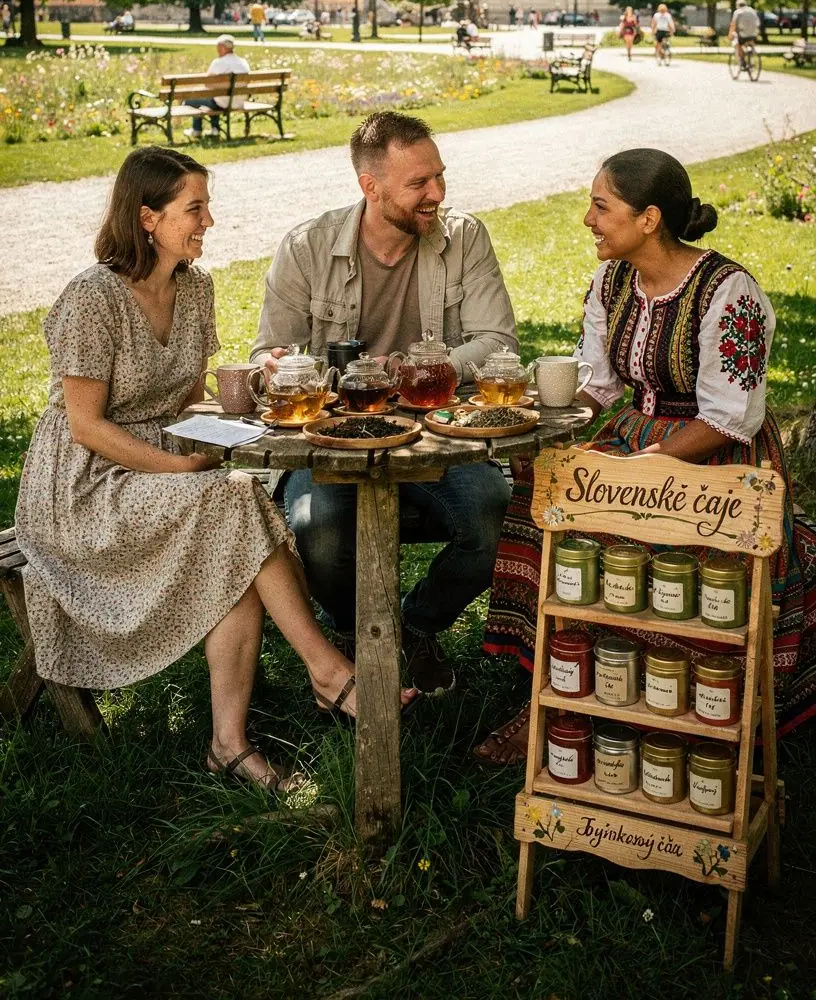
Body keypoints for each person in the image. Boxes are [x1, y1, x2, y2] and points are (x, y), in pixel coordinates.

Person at [14, 148, 417, 791]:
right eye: (193, 208)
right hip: (81, 485)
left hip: (155, 464)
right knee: (231, 502)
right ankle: (328, 673)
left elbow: (181, 395)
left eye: (207, 205)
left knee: (233, 513)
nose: (209, 220)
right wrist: (179, 465)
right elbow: (87, 427)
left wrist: (252, 391)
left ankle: (232, 743)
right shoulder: (93, 298)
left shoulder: (194, 287)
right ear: (147, 218)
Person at [475, 147, 815, 762]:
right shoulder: (612, 281)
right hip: (633, 438)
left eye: (601, 207)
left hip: (713, 454)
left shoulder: (726, 291)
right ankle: (555, 693)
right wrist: (534, 425)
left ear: (649, 218)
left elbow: (729, 418)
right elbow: (597, 385)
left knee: (641, 539)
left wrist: (633, 473)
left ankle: (678, 708)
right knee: (544, 497)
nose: (588, 220)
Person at [250, 111, 516, 694]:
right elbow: (269, 350)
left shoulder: (463, 238)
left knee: (492, 511)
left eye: (439, 177)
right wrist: (277, 365)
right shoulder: (307, 247)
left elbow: (497, 340)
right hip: (334, 438)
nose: (437, 194)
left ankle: (413, 629)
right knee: (314, 528)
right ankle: (353, 634)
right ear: (370, 187)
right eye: (419, 183)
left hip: (436, 432)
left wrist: (429, 367)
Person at [184, 34, 251, 139]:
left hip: (223, 103)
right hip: (240, 101)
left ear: (222, 47)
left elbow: (207, 83)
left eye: (218, 48)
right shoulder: (243, 62)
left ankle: (197, 130)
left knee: (192, 99)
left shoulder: (218, 62)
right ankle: (215, 129)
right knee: (214, 97)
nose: (217, 50)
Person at [728, 0, 760, 69]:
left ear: (737, 5)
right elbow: (758, 23)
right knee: (750, 43)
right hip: (753, 34)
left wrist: (730, 35)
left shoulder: (738, 12)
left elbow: (733, 25)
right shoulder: (752, 11)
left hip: (743, 34)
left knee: (737, 44)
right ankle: (751, 54)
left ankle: (743, 61)